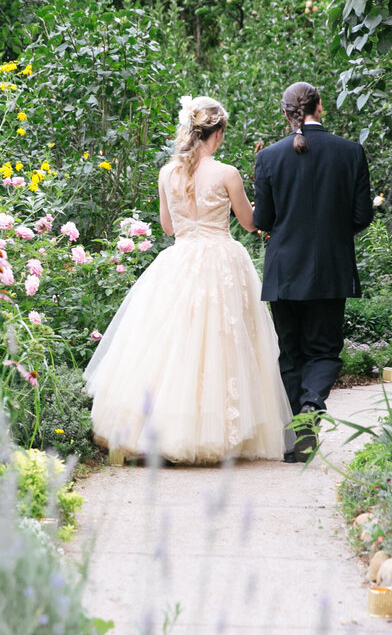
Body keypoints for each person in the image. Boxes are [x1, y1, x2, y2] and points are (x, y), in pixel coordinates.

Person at [84, 96, 293, 464]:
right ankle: (211, 431)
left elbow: (167, 226)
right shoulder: (227, 173)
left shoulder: (168, 173)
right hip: (221, 260)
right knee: (218, 345)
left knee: (172, 343)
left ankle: (153, 429)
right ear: (219, 132)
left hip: (179, 259)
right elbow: (250, 222)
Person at [252, 82, 373, 462]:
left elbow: (262, 220)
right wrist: (332, 235)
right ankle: (310, 407)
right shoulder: (351, 152)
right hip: (330, 269)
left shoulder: (269, 158)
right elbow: (362, 216)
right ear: (320, 106)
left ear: (286, 113)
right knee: (324, 351)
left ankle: (297, 438)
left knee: (290, 353)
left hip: (284, 270)